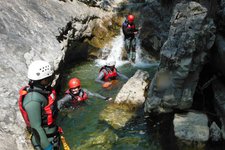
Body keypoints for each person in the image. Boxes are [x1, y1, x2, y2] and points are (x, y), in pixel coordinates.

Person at [18, 60, 60, 150]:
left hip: (53, 135)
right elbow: (36, 127)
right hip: (44, 142)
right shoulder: (33, 101)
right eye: (48, 78)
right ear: (43, 80)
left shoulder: (44, 91)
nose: (50, 80)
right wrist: (48, 148)